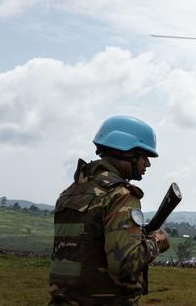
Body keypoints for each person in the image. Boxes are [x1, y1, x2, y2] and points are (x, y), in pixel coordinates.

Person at [49, 115, 170, 305]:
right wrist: (157, 242)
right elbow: (125, 264)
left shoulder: (70, 192)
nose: (147, 163)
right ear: (126, 151)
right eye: (144, 156)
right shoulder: (120, 194)